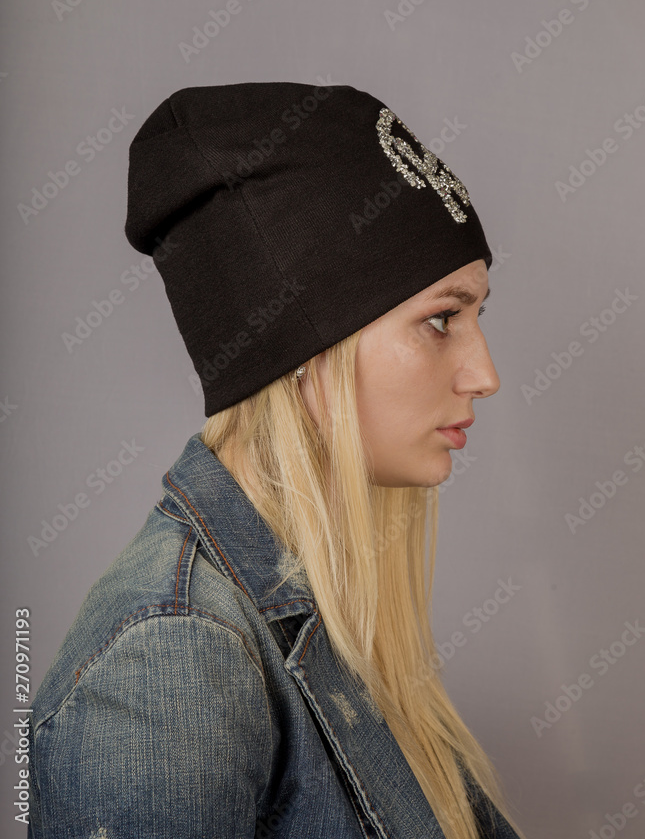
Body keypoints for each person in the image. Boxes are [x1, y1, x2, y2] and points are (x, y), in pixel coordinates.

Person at [27, 82, 527, 838]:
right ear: (303, 353)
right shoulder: (173, 659)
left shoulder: (316, 607)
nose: (483, 374)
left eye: (475, 316)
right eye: (441, 319)